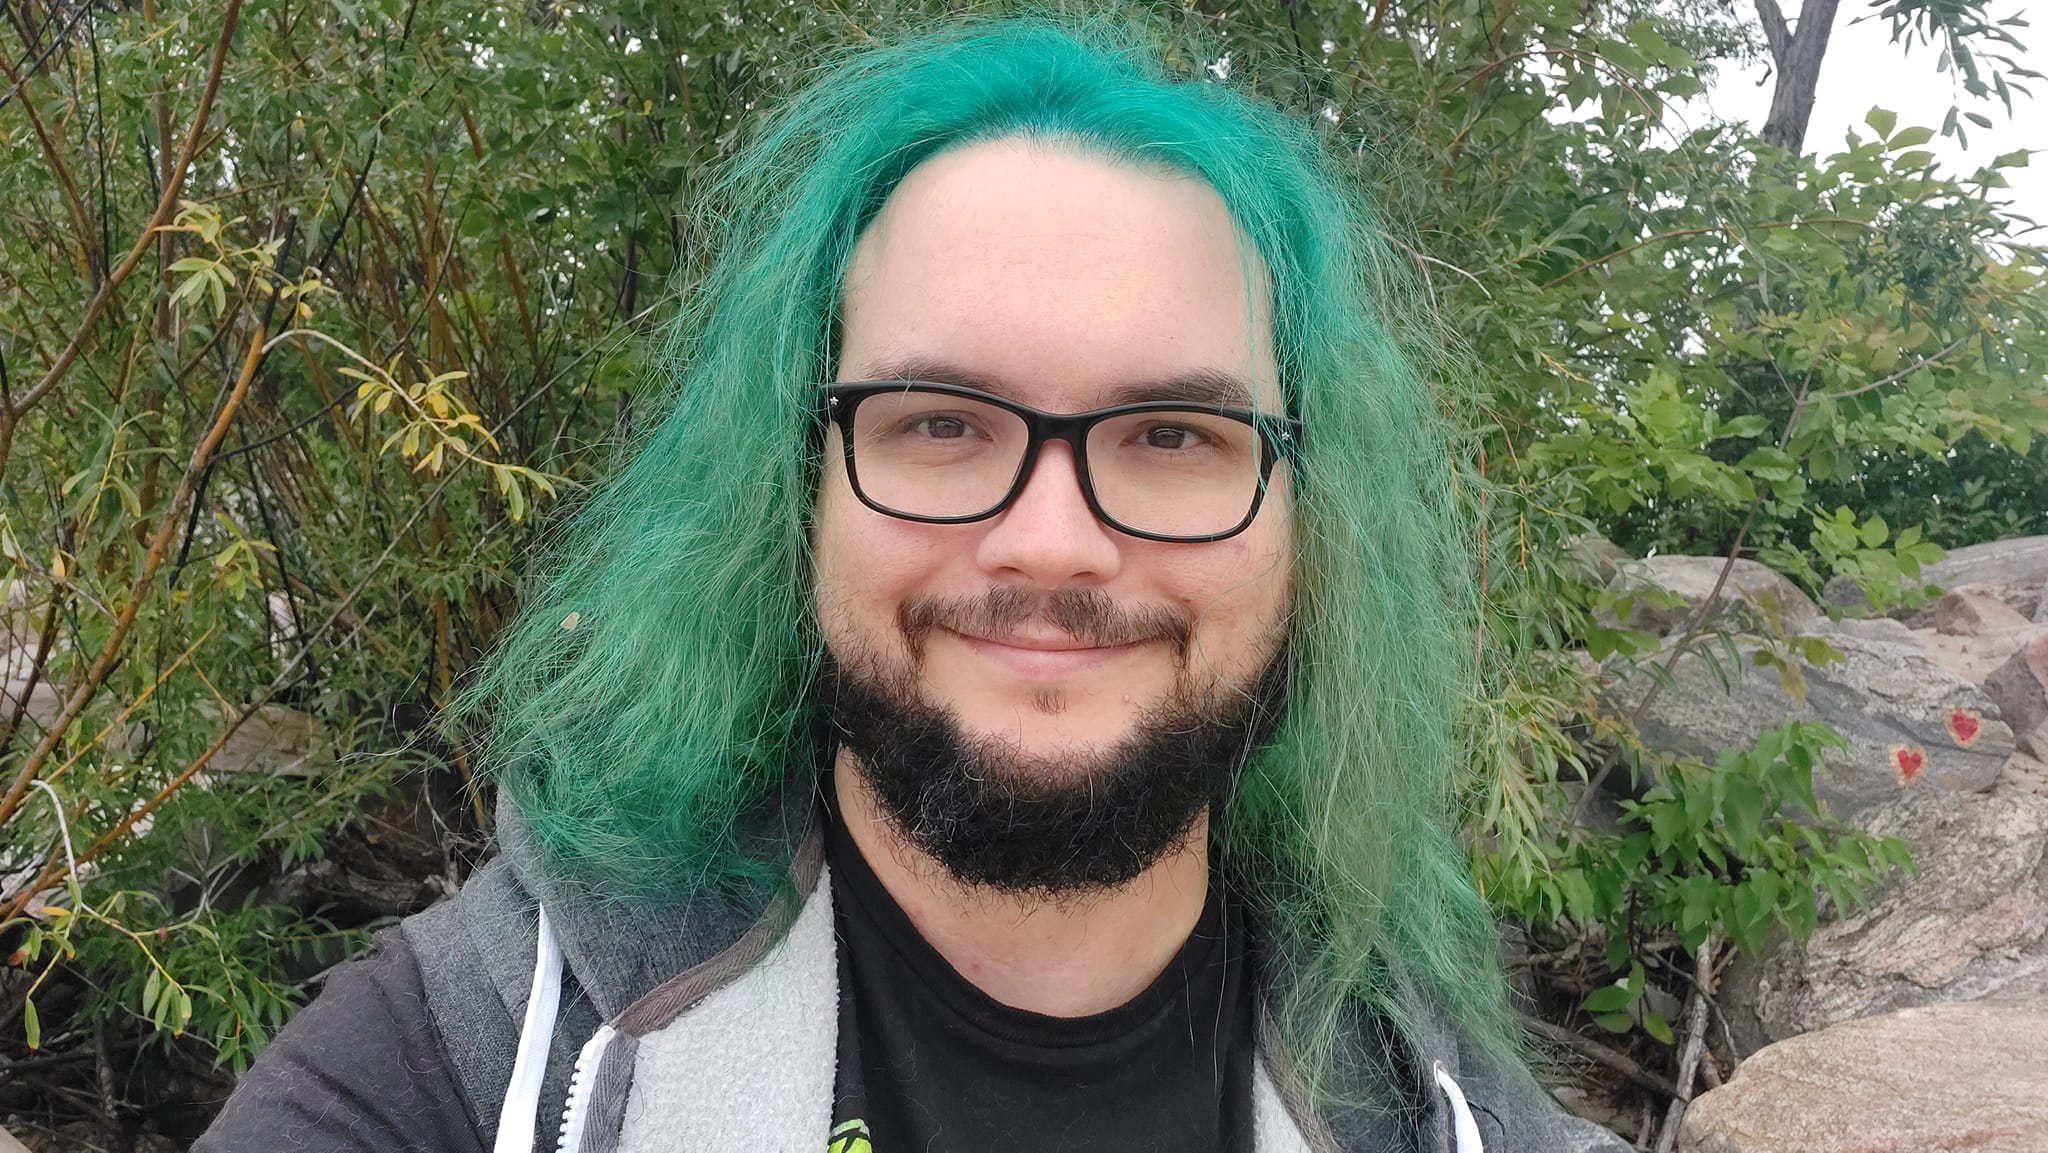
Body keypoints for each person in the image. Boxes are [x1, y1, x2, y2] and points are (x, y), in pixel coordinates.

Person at [198, 16, 1629, 1153]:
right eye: (941, 422)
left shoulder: (1446, 1116)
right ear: (795, 488)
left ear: (1309, 522)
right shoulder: (478, 1069)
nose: (1053, 543)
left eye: (1175, 435)